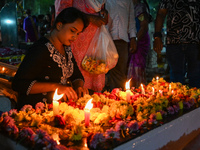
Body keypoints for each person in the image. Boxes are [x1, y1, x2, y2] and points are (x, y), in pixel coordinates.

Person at [12, 7, 89, 110]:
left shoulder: (66, 48)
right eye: (72, 31)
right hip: (36, 110)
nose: (75, 37)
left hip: (59, 108)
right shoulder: (41, 49)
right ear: (59, 25)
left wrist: (79, 86)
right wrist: (55, 87)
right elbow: (19, 84)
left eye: (78, 33)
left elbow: (76, 75)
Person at [55, 0, 108, 93]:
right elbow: (63, 12)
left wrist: (103, 13)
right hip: (77, 40)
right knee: (77, 72)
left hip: (95, 38)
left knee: (95, 69)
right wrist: (89, 18)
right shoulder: (73, 35)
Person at [153, 0, 200, 88]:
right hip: (174, 42)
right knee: (176, 76)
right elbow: (161, 13)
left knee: (196, 76)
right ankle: (177, 101)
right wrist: (157, 36)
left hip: (195, 42)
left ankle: (195, 100)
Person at [105, 0, 137, 91]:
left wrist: (133, 37)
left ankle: (118, 96)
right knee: (102, 70)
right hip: (106, 39)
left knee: (119, 71)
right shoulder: (105, 1)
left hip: (122, 41)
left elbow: (131, 20)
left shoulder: (128, 1)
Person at [127, 0, 151, 88]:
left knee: (137, 67)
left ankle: (138, 91)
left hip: (140, 41)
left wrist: (135, 40)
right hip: (132, 41)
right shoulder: (129, 6)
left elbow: (144, 26)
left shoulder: (140, 7)